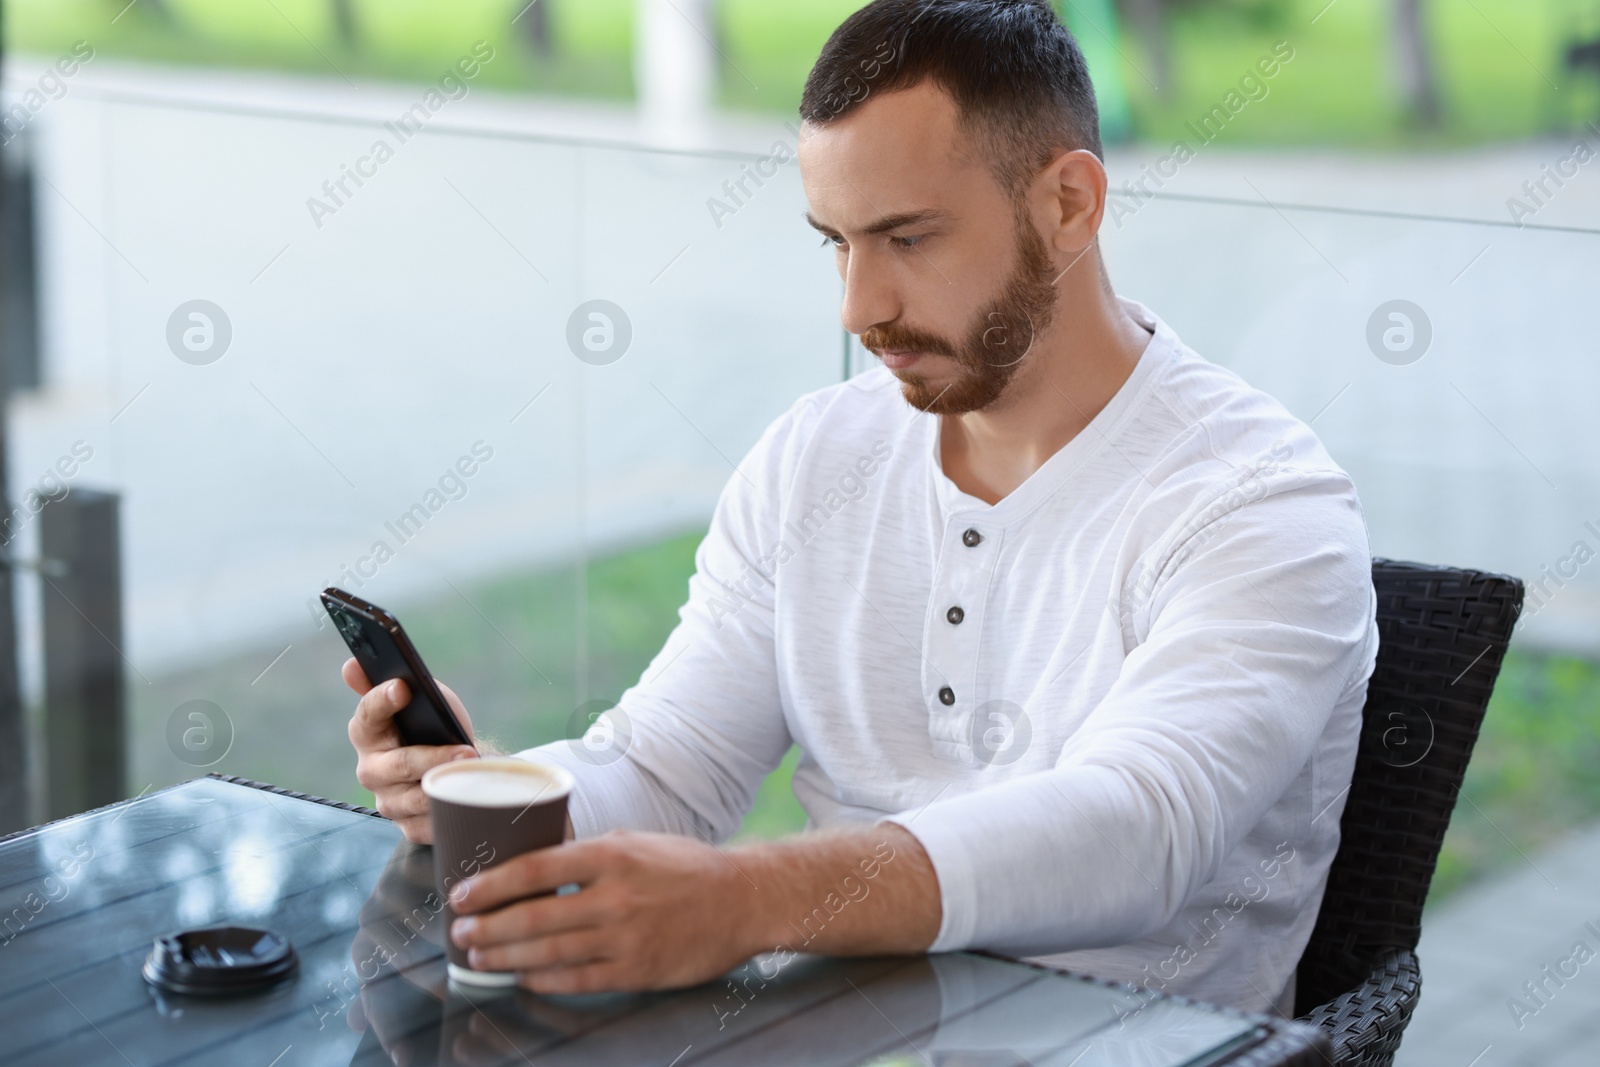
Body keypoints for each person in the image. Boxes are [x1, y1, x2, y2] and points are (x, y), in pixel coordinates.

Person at [345, 0, 1377, 1016]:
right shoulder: (816, 456)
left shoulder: (1259, 501)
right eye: (834, 242)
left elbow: (1142, 825)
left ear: (1068, 204)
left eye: (908, 238)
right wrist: (502, 799)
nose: (857, 307)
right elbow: (669, 764)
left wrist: (749, 900)